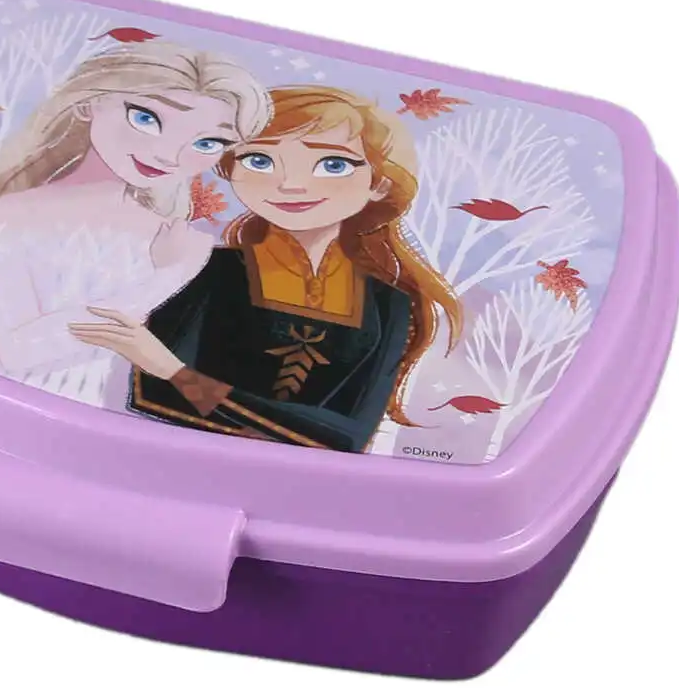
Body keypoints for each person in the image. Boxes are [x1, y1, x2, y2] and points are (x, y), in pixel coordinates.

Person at [0, 40, 271, 408]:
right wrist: (163, 278)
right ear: (90, 103)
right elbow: (20, 350)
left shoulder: (182, 242)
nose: (168, 154)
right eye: (145, 118)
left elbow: (193, 376)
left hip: (108, 421)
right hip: (0, 406)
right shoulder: (3, 217)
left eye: (207, 143)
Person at [69, 86, 462, 451]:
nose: (290, 185)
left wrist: (176, 372)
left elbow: (349, 436)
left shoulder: (388, 302)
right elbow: (156, 398)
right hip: (170, 455)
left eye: (333, 164)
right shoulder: (204, 266)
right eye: (259, 160)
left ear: (379, 184)